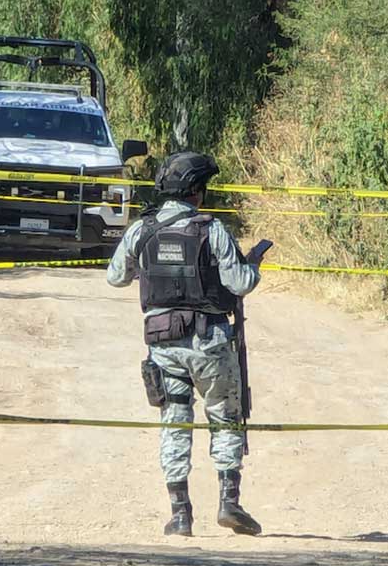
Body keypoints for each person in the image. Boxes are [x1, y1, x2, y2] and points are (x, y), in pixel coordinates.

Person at [107, 151, 268, 538]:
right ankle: (229, 502)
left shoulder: (141, 229)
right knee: (225, 418)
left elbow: (116, 277)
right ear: (196, 192)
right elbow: (240, 284)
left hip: (163, 345)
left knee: (175, 423)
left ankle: (180, 515)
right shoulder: (211, 229)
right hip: (210, 343)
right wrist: (255, 266)